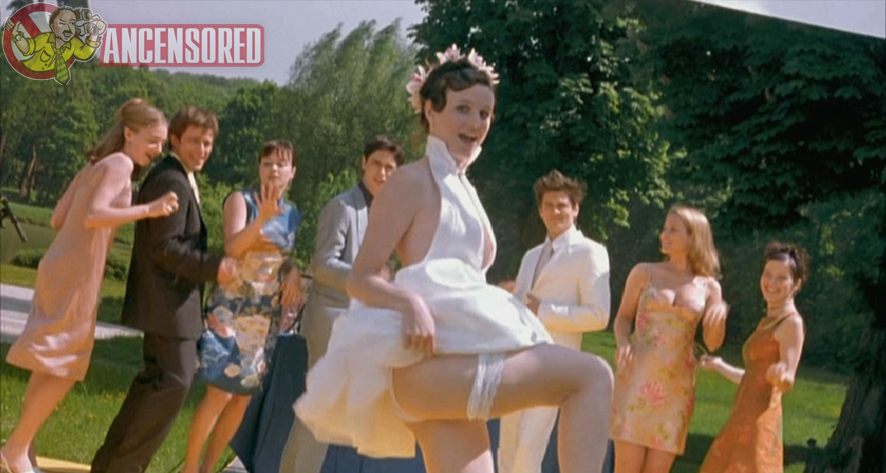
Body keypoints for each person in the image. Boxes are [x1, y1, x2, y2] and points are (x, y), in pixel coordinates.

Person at [294, 44, 613, 473]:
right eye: (463, 109)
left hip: (455, 354)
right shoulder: (410, 181)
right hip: (430, 361)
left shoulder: (463, 186)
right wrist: (409, 303)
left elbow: (456, 277)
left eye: (485, 114)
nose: (476, 123)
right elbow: (361, 278)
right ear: (430, 110)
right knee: (592, 376)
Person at [0, 98, 178, 473]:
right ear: (129, 133)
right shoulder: (120, 165)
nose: (158, 149)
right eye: (153, 140)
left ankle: (23, 448)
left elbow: (57, 219)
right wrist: (148, 209)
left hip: (58, 266)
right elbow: (95, 215)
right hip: (78, 275)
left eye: (162, 143)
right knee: (67, 367)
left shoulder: (95, 164)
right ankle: (16, 447)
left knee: (50, 361)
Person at [91, 106, 237, 473]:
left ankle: (110, 465)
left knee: (154, 386)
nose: (202, 150)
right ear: (174, 139)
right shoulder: (172, 180)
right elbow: (165, 248)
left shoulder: (179, 177)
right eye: (194, 141)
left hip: (171, 308)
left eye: (207, 143)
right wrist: (216, 267)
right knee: (172, 385)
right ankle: (123, 467)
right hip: (168, 308)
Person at [279, 135, 410, 473]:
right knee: (321, 413)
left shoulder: (386, 213)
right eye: (376, 164)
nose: (382, 172)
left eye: (390, 168)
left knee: (318, 413)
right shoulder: (342, 207)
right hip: (331, 319)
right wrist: (367, 280)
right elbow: (322, 264)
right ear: (363, 163)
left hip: (359, 323)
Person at [183, 140, 302, 473]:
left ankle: (207, 468)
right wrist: (261, 219)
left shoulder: (291, 213)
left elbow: (280, 257)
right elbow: (233, 248)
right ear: (259, 168)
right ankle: (189, 468)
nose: (273, 169)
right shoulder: (242, 200)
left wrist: (292, 270)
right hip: (231, 310)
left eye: (281, 164)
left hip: (263, 318)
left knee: (241, 400)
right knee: (219, 394)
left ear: (292, 172)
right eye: (267, 163)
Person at [498, 170, 611, 473]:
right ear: (540, 210)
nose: (555, 212)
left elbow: (599, 315)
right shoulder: (531, 256)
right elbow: (521, 305)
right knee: (507, 447)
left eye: (562, 205)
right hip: (517, 359)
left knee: (528, 448)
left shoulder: (591, 253)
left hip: (554, 365)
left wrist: (545, 310)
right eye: (548, 205)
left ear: (576, 209)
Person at [609, 205, 728, 473]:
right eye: (665, 229)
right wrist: (623, 342)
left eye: (673, 230)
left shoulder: (710, 287)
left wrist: (719, 315)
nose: (664, 235)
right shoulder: (643, 272)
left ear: (694, 237)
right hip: (636, 376)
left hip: (677, 386)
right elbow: (623, 318)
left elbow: (713, 343)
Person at [698, 242, 808, 473]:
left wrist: (781, 376)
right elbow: (753, 377)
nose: (771, 283)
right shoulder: (767, 321)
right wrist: (720, 366)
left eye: (781, 278)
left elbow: (788, 378)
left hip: (760, 422)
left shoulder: (791, 323)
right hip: (741, 417)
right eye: (767, 274)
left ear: (796, 284)